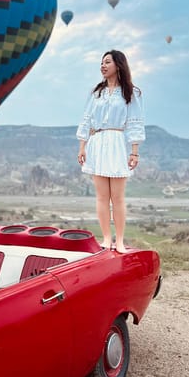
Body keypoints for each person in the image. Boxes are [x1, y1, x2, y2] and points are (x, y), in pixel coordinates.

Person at [76, 50, 145, 253]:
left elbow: (135, 123)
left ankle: (120, 240)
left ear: (118, 65)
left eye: (107, 62)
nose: (103, 66)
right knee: (101, 196)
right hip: (97, 142)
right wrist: (82, 146)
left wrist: (134, 152)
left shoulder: (131, 92)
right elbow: (87, 119)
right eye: (101, 62)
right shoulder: (97, 92)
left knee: (118, 197)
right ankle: (106, 239)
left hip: (117, 143)